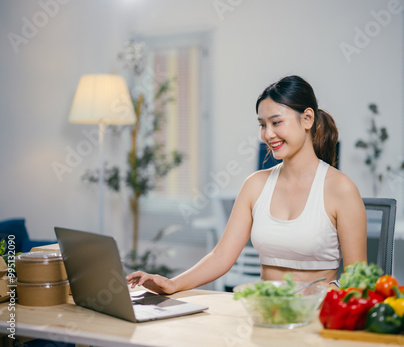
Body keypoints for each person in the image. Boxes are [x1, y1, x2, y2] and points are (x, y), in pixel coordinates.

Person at [127, 75, 367, 294]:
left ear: (307, 119)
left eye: (276, 122)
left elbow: (358, 280)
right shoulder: (255, 185)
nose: (268, 134)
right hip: (265, 313)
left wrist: (325, 296)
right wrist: (172, 283)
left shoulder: (341, 189)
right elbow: (222, 255)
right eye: (263, 125)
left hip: (317, 317)